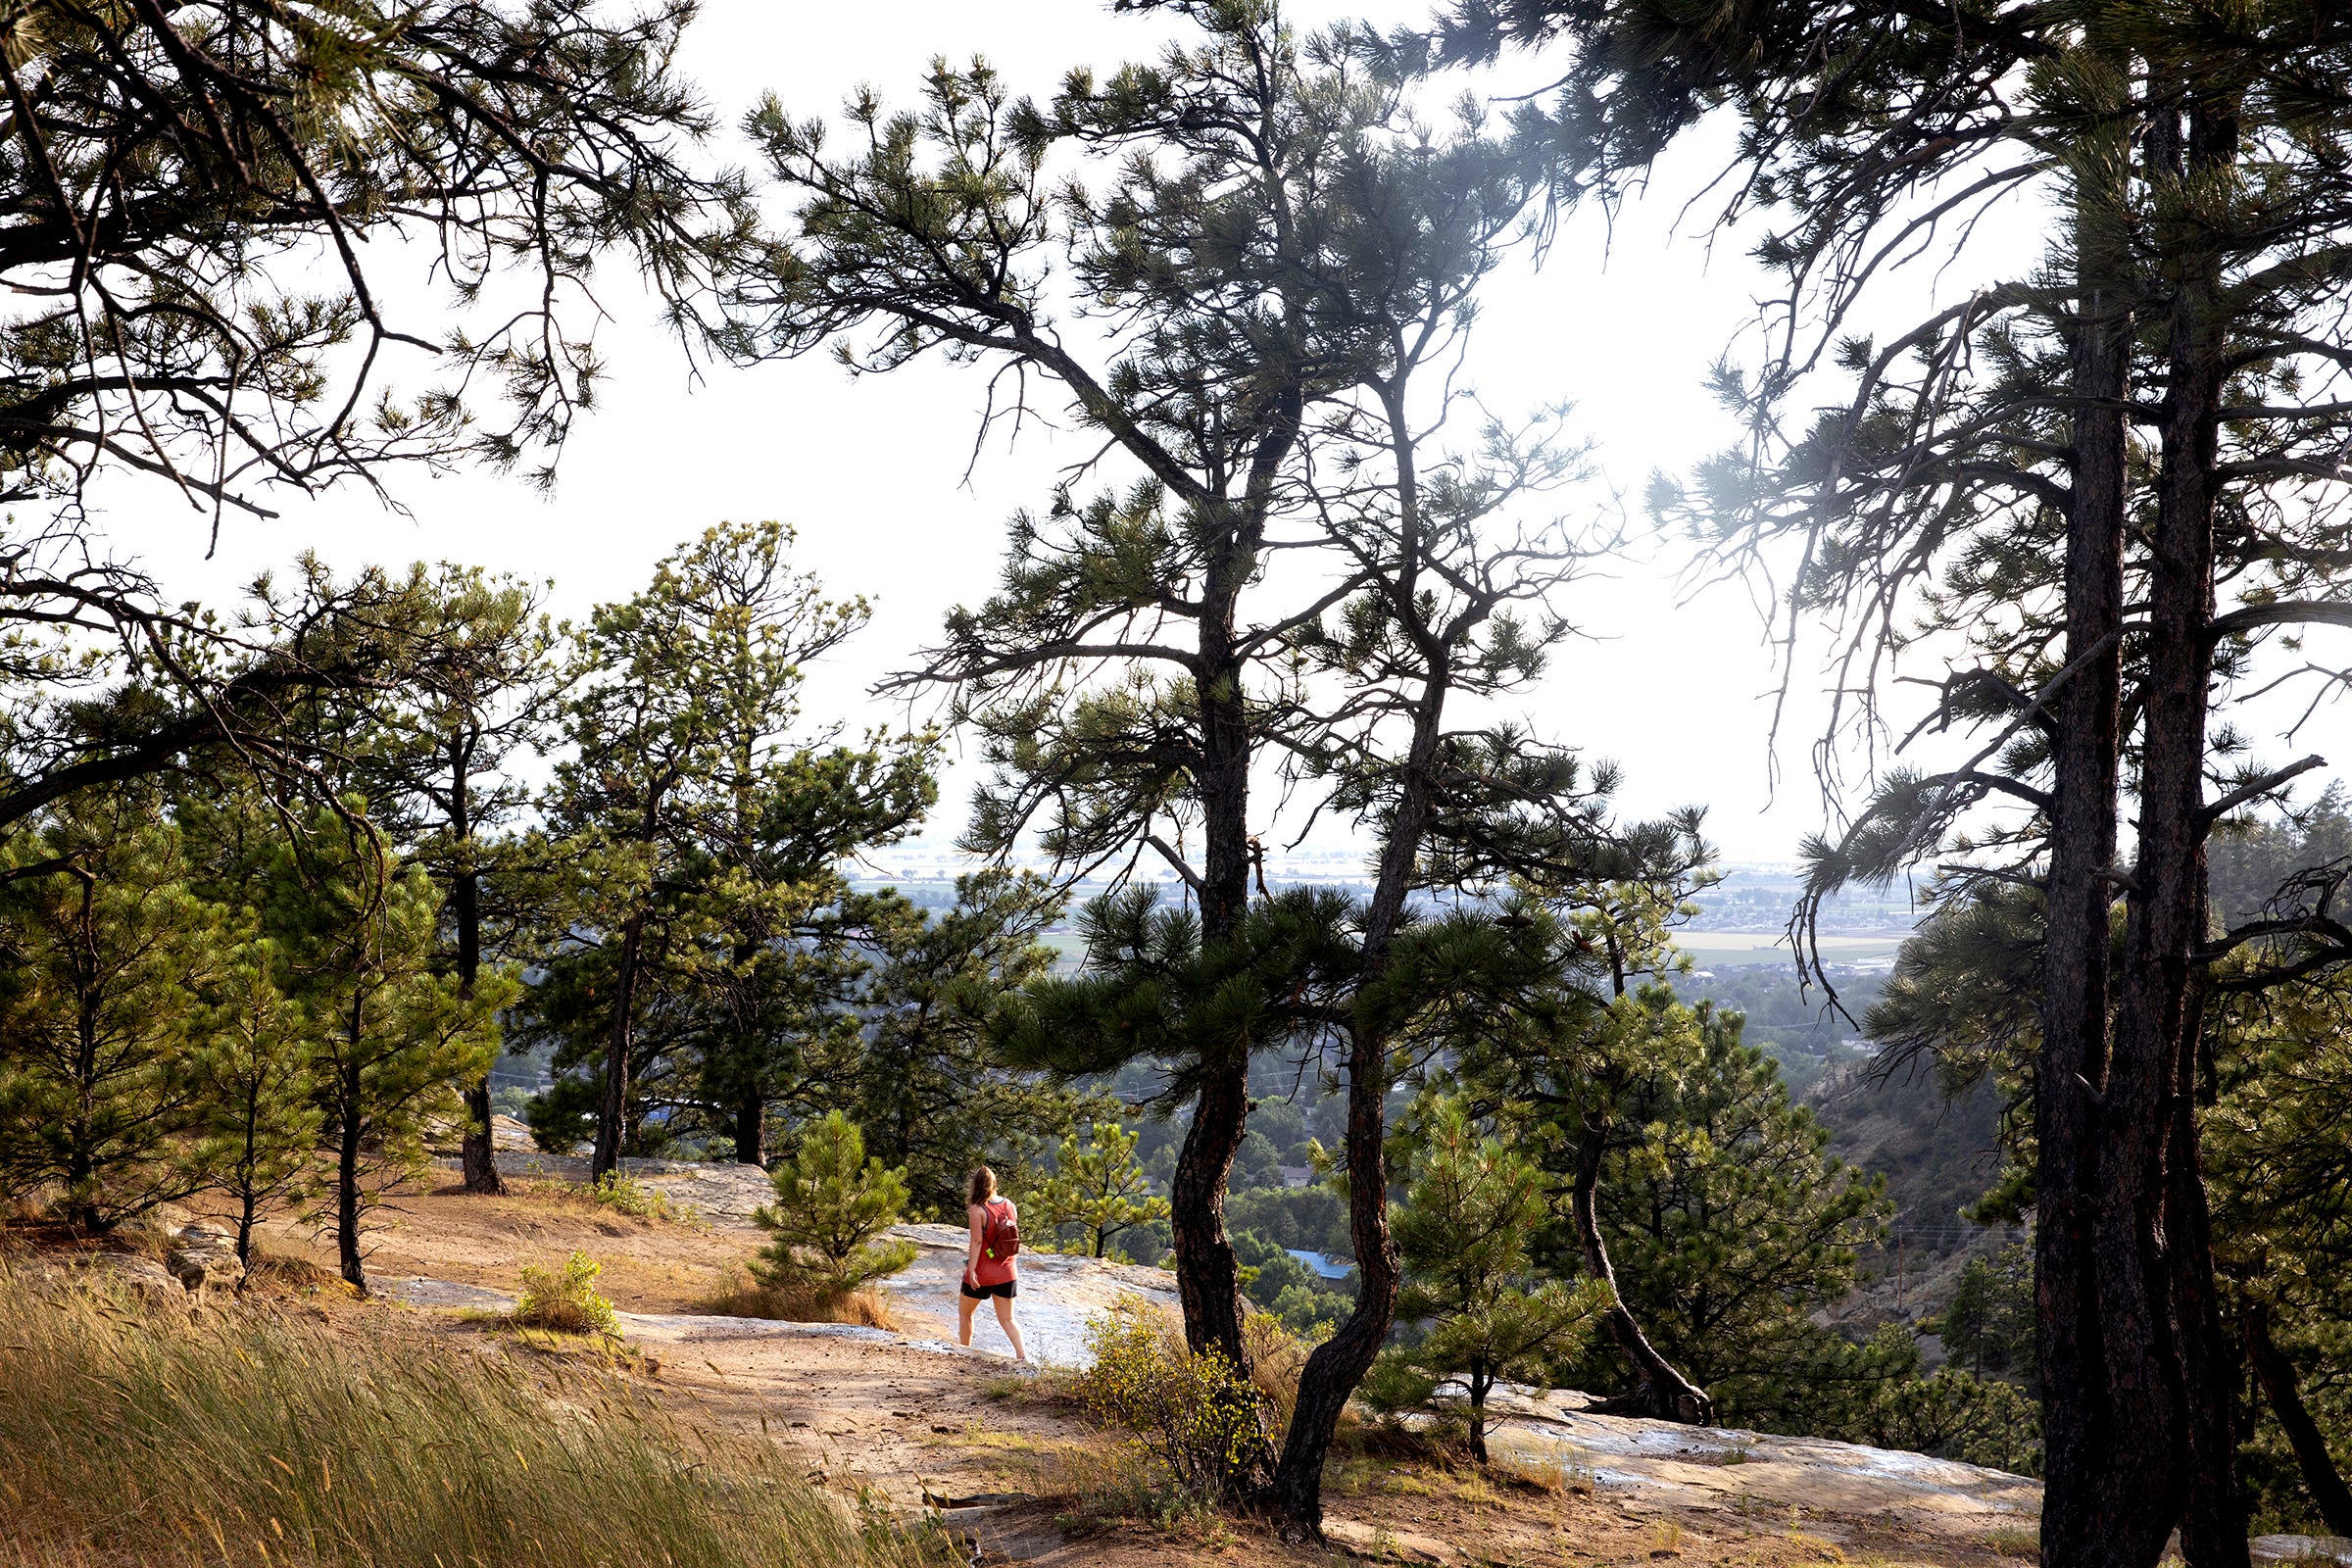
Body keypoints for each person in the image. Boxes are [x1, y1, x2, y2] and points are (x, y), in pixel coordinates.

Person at [959, 1165, 1026, 1362]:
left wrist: (971, 1270)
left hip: (983, 1272)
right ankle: (1023, 1357)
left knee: (965, 1314)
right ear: (994, 1183)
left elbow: (977, 1241)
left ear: (975, 1185)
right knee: (1008, 1319)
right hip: (1008, 1271)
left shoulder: (977, 1209)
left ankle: (963, 1353)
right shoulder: (1010, 1205)